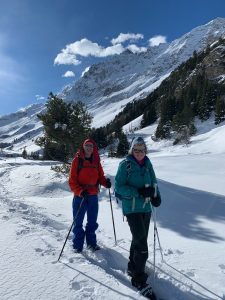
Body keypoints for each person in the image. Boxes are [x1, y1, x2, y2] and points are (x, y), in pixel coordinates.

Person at [115, 136, 161, 298]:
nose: (139, 153)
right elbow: (118, 188)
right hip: (132, 209)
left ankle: (132, 266)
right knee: (142, 244)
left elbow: (153, 182)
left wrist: (156, 195)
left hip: (146, 208)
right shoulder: (125, 165)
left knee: (138, 238)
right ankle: (138, 279)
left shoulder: (148, 164)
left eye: (142, 150)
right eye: (136, 150)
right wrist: (138, 192)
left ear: (145, 150)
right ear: (132, 150)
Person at [69, 138, 111, 253]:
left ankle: (91, 244)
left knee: (92, 222)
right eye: (87, 145)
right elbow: (72, 181)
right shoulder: (77, 161)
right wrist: (80, 191)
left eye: (91, 146)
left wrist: (105, 182)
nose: (89, 148)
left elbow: (100, 176)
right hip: (80, 196)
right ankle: (77, 246)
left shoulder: (96, 161)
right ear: (83, 147)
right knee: (78, 222)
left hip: (92, 195)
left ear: (94, 149)